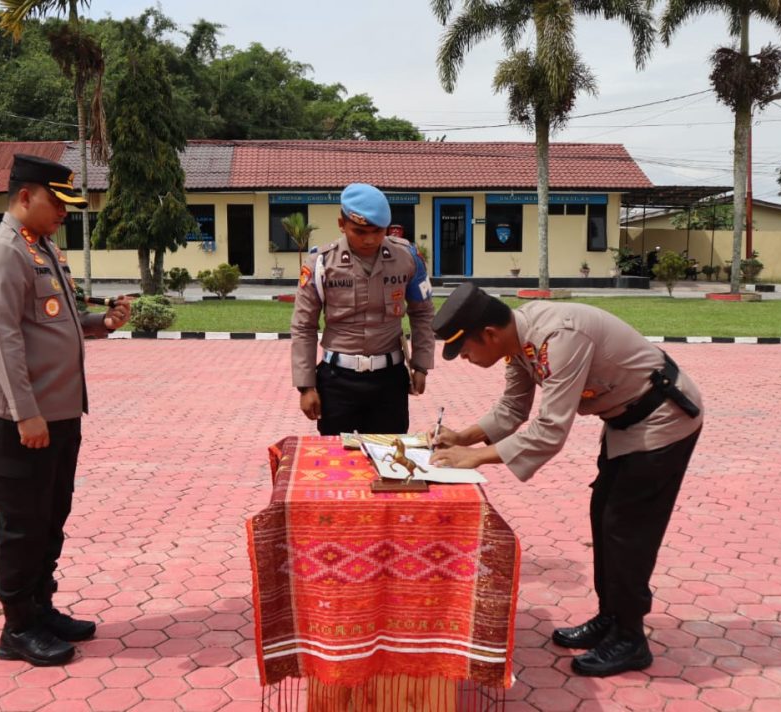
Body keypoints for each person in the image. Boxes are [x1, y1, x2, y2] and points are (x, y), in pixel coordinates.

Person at [429, 284, 703, 677]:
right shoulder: (519, 343)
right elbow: (511, 409)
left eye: (466, 350)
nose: (466, 359)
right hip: (627, 423)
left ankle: (630, 639)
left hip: (663, 419)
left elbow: (551, 428)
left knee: (627, 529)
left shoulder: (559, 338)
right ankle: (611, 619)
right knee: (604, 518)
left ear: (489, 334)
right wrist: (463, 437)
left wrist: (474, 458)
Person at [0, 154, 131, 667]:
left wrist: (103, 323)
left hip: (59, 412)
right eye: (57, 201)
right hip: (22, 416)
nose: (65, 211)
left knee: (51, 516)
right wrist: (26, 415)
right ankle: (16, 627)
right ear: (25, 196)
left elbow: (54, 320)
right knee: (21, 521)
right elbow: (4, 342)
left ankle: (41, 606)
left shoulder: (41, 248)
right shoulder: (1, 251)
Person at [290, 183, 434, 435]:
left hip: (389, 381)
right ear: (341, 224)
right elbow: (304, 326)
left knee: (390, 461)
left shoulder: (407, 258)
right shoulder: (320, 264)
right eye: (359, 231)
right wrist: (306, 387)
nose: (370, 239)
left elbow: (422, 313)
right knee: (337, 464)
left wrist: (421, 365)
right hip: (337, 381)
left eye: (378, 231)